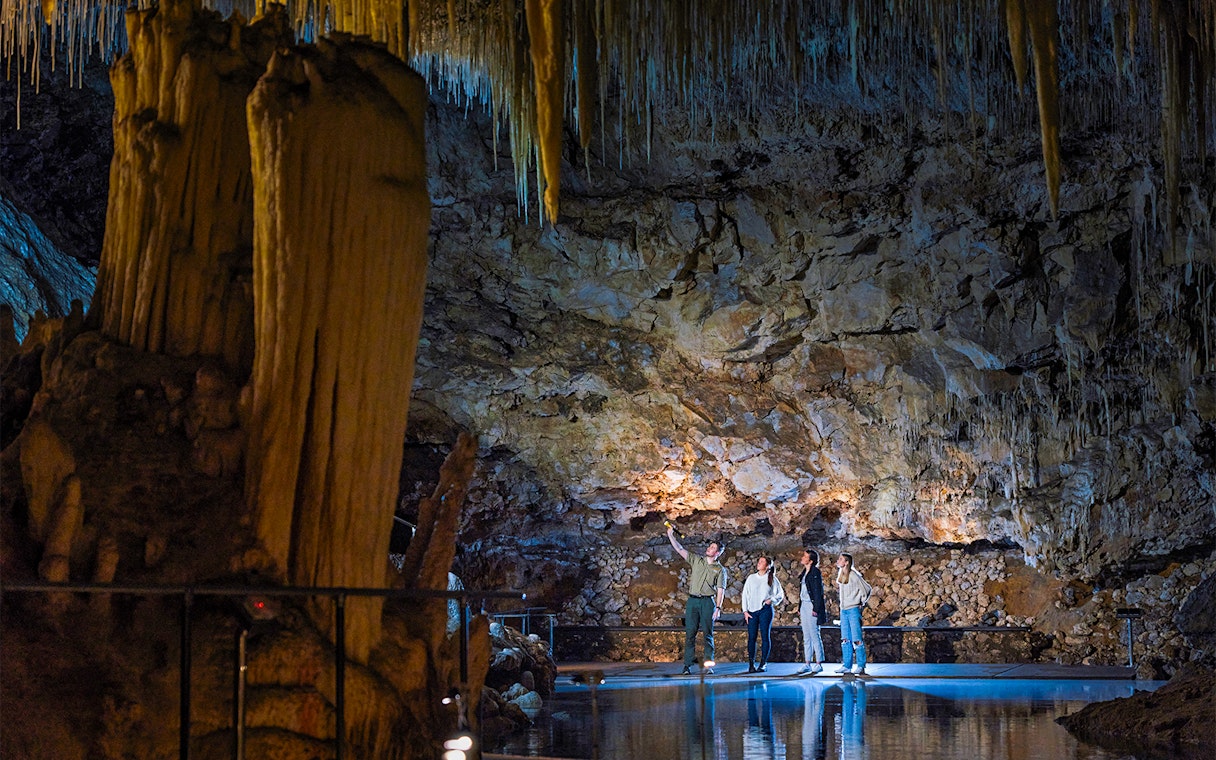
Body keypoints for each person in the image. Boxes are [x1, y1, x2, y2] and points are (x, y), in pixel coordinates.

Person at [667, 525, 728, 674]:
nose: (709, 548)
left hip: (707, 602)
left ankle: (708, 665)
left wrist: (718, 608)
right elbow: (680, 549)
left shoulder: (720, 570)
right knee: (690, 633)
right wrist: (670, 535)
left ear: (717, 553)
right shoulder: (696, 560)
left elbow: (721, 590)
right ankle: (687, 665)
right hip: (693, 601)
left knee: (708, 633)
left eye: (712, 547)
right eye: (709, 546)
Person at [741, 556, 785, 672]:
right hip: (752, 611)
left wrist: (771, 600)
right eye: (758, 561)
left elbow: (780, 594)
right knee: (752, 637)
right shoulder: (751, 578)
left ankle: (763, 663)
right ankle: (751, 664)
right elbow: (745, 594)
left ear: (767, 566)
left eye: (761, 562)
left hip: (765, 610)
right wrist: (745, 611)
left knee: (765, 636)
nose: (758, 563)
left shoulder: (772, 579)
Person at [835, 552, 872, 675]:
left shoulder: (854, 575)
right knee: (845, 638)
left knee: (857, 638)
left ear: (846, 562)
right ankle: (847, 665)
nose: (838, 560)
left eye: (841, 559)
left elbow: (866, 589)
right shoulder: (841, 575)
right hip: (844, 610)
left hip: (853, 609)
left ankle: (861, 665)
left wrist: (861, 602)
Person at [795, 549, 826, 674]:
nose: (802, 557)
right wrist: (799, 607)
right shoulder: (804, 573)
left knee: (814, 634)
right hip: (804, 606)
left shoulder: (815, 573)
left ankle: (818, 662)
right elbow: (802, 591)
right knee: (806, 635)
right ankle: (807, 662)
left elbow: (818, 592)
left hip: (812, 606)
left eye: (805, 556)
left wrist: (816, 608)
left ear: (811, 560)